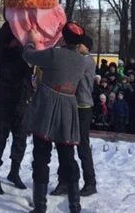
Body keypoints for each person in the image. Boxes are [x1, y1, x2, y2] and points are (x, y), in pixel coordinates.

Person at [22, 22, 88, 213]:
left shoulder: (55, 54)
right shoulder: (83, 61)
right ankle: (75, 206)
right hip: (69, 108)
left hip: (47, 107)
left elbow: (29, 56)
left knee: (41, 156)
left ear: (64, 38)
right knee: (68, 158)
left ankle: (40, 207)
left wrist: (31, 41)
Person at [0, 22, 33, 195]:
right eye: (16, 38)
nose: (19, 41)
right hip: (5, 101)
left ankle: (14, 171)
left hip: (22, 101)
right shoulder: (3, 53)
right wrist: (15, 19)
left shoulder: (28, 53)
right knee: (0, 137)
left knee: (20, 137)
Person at [50, 34, 97, 198]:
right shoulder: (79, 57)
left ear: (86, 47)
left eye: (80, 44)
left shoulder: (86, 60)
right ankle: (64, 180)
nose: (77, 46)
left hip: (83, 106)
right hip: (70, 104)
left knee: (82, 145)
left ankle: (90, 182)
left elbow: (69, 70)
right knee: (64, 143)